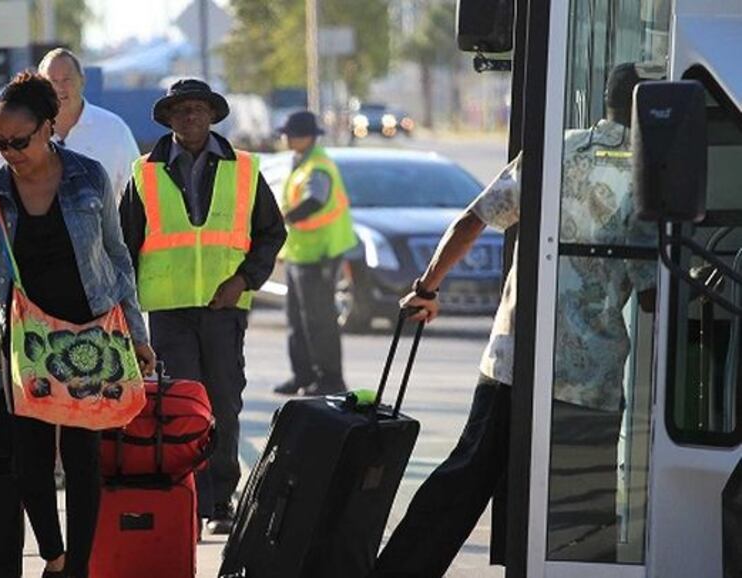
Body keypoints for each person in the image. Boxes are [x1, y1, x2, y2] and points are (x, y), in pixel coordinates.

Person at [371, 63, 653, 576]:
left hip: (513, 356)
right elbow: (654, 287)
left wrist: (427, 288)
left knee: (465, 478)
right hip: (586, 378)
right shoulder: (646, 173)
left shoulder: (556, 150)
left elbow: (474, 218)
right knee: (578, 500)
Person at [0, 72, 155, 578]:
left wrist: (138, 337)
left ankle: (76, 570)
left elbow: (119, 261)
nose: (8, 151)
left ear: (48, 127)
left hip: (91, 337)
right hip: (27, 342)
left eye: (19, 140)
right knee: (31, 469)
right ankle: (54, 557)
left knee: (82, 463)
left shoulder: (89, 177)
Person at [120, 78, 286, 534]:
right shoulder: (143, 173)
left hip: (223, 309)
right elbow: (124, 247)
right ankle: (190, 499)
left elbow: (273, 233)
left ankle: (220, 502)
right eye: (180, 110)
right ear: (168, 119)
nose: (189, 116)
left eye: (197, 109)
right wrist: (124, 314)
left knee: (223, 404)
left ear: (212, 115)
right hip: (167, 312)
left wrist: (243, 280)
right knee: (180, 407)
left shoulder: (246, 170)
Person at [273, 110, 357, 396]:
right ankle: (303, 375)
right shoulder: (302, 162)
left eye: (287, 134)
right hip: (301, 253)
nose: (284, 138)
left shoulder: (318, 166)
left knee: (319, 321)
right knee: (297, 320)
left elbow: (315, 201)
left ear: (303, 137)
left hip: (320, 254)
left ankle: (330, 379)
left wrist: (284, 217)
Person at [0, 47, 139, 202]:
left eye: (67, 79)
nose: (60, 88)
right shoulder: (18, 131)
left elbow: (138, 193)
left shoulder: (114, 130)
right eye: (52, 81)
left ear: (82, 80)